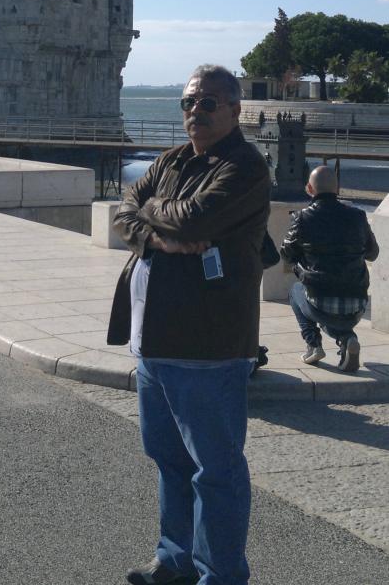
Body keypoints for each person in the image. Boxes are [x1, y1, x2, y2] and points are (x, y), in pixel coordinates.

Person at [107, 65, 270, 585]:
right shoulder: (173, 159)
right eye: (188, 103)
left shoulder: (244, 165)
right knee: (170, 462)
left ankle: (220, 576)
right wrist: (157, 233)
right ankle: (175, 561)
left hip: (208, 343)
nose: (194, 112)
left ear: (235, 110)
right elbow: (123, 211)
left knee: (216, 471)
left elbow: (195, 220)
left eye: (208, 103)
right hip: (152, 337)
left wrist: (152, 209)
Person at [280, 165, 379, 372]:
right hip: (357, 304)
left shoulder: (302, 218)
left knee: (296, 292)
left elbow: (286, 254)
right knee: (334, 310)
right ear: (337, 188)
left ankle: (313, 345)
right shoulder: (358, 217)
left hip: (321, 302)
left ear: (309, 188)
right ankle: (347, 338)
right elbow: (372, 253)